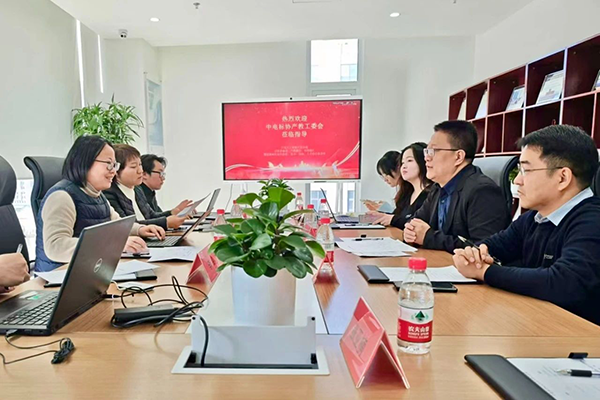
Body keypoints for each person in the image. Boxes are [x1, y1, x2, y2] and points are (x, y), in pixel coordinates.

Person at [453, 125, 600, 325]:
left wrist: (484, 272)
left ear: (562, 178)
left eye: (526, 170)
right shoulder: (534, 218)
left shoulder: (592, 220)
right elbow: (493, 246)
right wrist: (474, 254)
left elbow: (564, 283)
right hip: (538, 324)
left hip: (579, 336)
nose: (517, 181)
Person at [35, 136, 164, 272]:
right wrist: (114, 245)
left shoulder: (98, 195)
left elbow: (117, 224)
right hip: (59, 277)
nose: (113, 171)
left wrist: (140, 230)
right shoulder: (62, 196)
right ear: (85, 162)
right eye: (108, 164)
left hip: (89, 271)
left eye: (115, 165)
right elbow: (56, 246)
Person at [404, 120, 510, 253]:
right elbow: (415, 221)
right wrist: (410, 231)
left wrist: (429, 237)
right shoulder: (438, 188)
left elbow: (483, 249)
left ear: (458, 157)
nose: (426, 158)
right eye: (427, 151)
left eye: (433, 151)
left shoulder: (482, 191)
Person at [104, 145, 187, 230]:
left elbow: (151, 215)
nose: (140, 171)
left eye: (140, 165)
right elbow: (127, 225)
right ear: (116, 171)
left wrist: (172, 212)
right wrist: (165, 222)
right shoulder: (109, 193)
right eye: (133, 167)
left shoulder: (137, 189)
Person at [367, 143, 432, 228]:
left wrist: (391, 219)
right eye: (402, 163)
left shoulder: (431, 194)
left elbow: (416, 223)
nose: (404, 166)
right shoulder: (406, 194)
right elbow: (399, 217)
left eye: (409, 160)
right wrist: (379, 216)